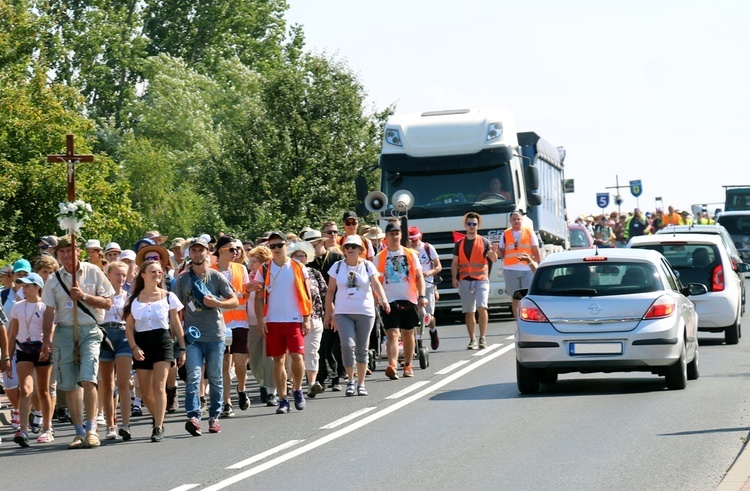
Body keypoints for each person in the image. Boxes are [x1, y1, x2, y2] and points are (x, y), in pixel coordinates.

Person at [41, 235, 114, 449]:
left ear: (77, 251)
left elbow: (108, 303)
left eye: (68, 251)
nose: (65, 255)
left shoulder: (93, 272)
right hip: (63, 331)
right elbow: (48, 311)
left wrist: (84, 297)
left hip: (89, 329)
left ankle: (92, 429)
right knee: (70, 383)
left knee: (88, 378)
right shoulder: (54, 279)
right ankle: (79, 431)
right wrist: (46, 340)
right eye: (61, 252)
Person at [173, 236, 238, 436]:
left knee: (216, 377)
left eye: (201, 250)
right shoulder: (183, 279)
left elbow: (234, 300)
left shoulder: (216, 277)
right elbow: (175, 308)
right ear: (189, 254)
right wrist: (178, 336)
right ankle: (193, 416)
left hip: (215, 335)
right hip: (193, 336)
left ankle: (214, 416)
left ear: (207, 253)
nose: (197, 254)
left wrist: (217, 304)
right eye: (194, 251)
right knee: (193, 377)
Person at [124, 260, 186, 442]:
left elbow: (175, 323)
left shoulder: (169, 297)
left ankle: (158, 427)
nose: (157, 274)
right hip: (142, 342)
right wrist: (134, 347)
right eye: (153, 271)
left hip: (163, 341)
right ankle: (157, 416)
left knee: (159, 386)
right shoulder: (133, 300)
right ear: (143, 275)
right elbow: (129, 328)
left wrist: (182, 348)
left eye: (159, 272)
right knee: (145, 389)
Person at [254, 231, 312, 414]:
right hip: (272, 320)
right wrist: (260, 320)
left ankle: (297, 389)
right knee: (278, 359)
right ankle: (282, 398)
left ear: (286, 245)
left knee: (297, 356)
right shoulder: (264, 269)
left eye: (279, 245)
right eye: (272, 246)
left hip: (294, 318)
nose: (276, 249)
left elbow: (307, 293)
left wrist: (307, 317)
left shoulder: (297, 266)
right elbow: (257, 297)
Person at [325, 235, 389, 395]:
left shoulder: (367, 266)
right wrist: (328, 312)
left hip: (364, 311)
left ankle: (361, 383)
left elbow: (375, 284)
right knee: (347, 345)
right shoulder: (337, 266)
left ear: (361, 249)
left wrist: (384, 300)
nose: (350, 249)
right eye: (347, 247)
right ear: (344, 250)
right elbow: (330, 291)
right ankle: (350, 380)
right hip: (342, 312)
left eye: (354, 246)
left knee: (362, 348)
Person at [375, 222, 428, 379]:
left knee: (408, 333)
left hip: (409, 298)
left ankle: (408, 364)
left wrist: (422, 296)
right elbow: (376, 280)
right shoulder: (380, 257)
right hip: (389, 299)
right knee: (392, 333)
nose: (395, 236)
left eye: (397, 233)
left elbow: (419, 277)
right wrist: (377, 298)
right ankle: (392, 365)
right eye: (391, 234)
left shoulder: (410, 254)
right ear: (386, 237)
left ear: (401, 235)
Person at [8, 273, 54, 446]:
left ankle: (48, 429)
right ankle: (24, 430)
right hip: (23, 350)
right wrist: (8, 356)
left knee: (43, 390)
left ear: (37, 287)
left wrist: (48, 347)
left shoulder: (45, 306)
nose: (24, 289)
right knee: (26, 389)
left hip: (41, 348)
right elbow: (13, 333)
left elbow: (51, 329)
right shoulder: (18, 306)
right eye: (23, 286)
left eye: (28, 286)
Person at [211, 235, 251, 417]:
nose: (235, 253)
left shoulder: (241, 268)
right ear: (220, 251)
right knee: (225, 363)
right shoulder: (210, 271)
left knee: (241, 363)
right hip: (220, 323)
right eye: (231, 249)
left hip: (240, 321)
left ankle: (241, 389)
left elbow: (245, 293)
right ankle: (226, 402)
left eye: (237, 249)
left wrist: (241, 294)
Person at [304, 228, 346, 393]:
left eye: (314, 244)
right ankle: (320, 378)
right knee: (320, 345)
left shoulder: (337, 259)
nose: (312, 248)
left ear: (322, 242)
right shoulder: (307, 264)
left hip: (338, 305)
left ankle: (337, 377)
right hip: (317, 309)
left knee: (336, 343)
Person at [453, 212, 500, 348]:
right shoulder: (459, 243)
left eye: (474, 224)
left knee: (482, 307)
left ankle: (483, 338)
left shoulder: (484, 242)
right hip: (465, 280)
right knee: (469, 311)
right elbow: (455, 263)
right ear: (465, 225)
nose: (472, 226)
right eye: (469, 224)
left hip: (481, 279)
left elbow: (494, 259)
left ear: (478, 225)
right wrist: (455, 278)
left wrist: (492, 252)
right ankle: (472, 339)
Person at [98, 261, 134, 440]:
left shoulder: (129, 297)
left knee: (123, 382)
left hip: (123, 335)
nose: (121, 278)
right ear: (108, 275)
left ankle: (125, 424)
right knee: (106, 384)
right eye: (117, 274)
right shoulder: (101, 295)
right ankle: (111, 425)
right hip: (105, 334)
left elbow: (132, 321)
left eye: (123, 275)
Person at [287, 240, 326, 398]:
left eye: (302, 255)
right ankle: (293, 382)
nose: (299, 258)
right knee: (295, 353)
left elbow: (324, 293)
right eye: (296, 255)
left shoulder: (314, 273)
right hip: (294, 318)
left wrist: (328, 314)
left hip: (315, 317)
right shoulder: (288, 273)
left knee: (312, 351)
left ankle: (311, 384)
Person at [245, 245, 278, 406]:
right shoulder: (249, 276)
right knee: (254, 356)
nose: (251, 265)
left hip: (268, 320)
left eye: (254, 262)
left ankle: (272, 389)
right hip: (251, 321)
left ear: (264, 263)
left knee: (269, 356)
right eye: (250, 262)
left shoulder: (270, 275)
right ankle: (263, 381)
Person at [498, 211, 541, 322]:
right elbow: (501, 253)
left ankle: (529, 320)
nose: (516, 221)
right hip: (510, 269)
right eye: (514, 219)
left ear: (522, 220)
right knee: (515, 297)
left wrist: (539, 267)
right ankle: (518, 322)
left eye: (518, 219)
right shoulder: (505, 234)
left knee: (528, 297)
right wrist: (495, 250)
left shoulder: (529, 232)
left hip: (527, 269)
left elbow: (536, 251)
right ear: (510, 221)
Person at [408, 226, 442, 350]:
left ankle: (433, 330)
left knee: (428, 316)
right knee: (415, 316)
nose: (413, 243)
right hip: (412, 288)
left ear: (420, 237)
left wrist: (429, 272)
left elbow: (438, 266)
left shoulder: (427, 248)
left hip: (427, 285)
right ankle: (418, 341)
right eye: (411, 240)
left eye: (415, 240)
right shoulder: (406, 250)